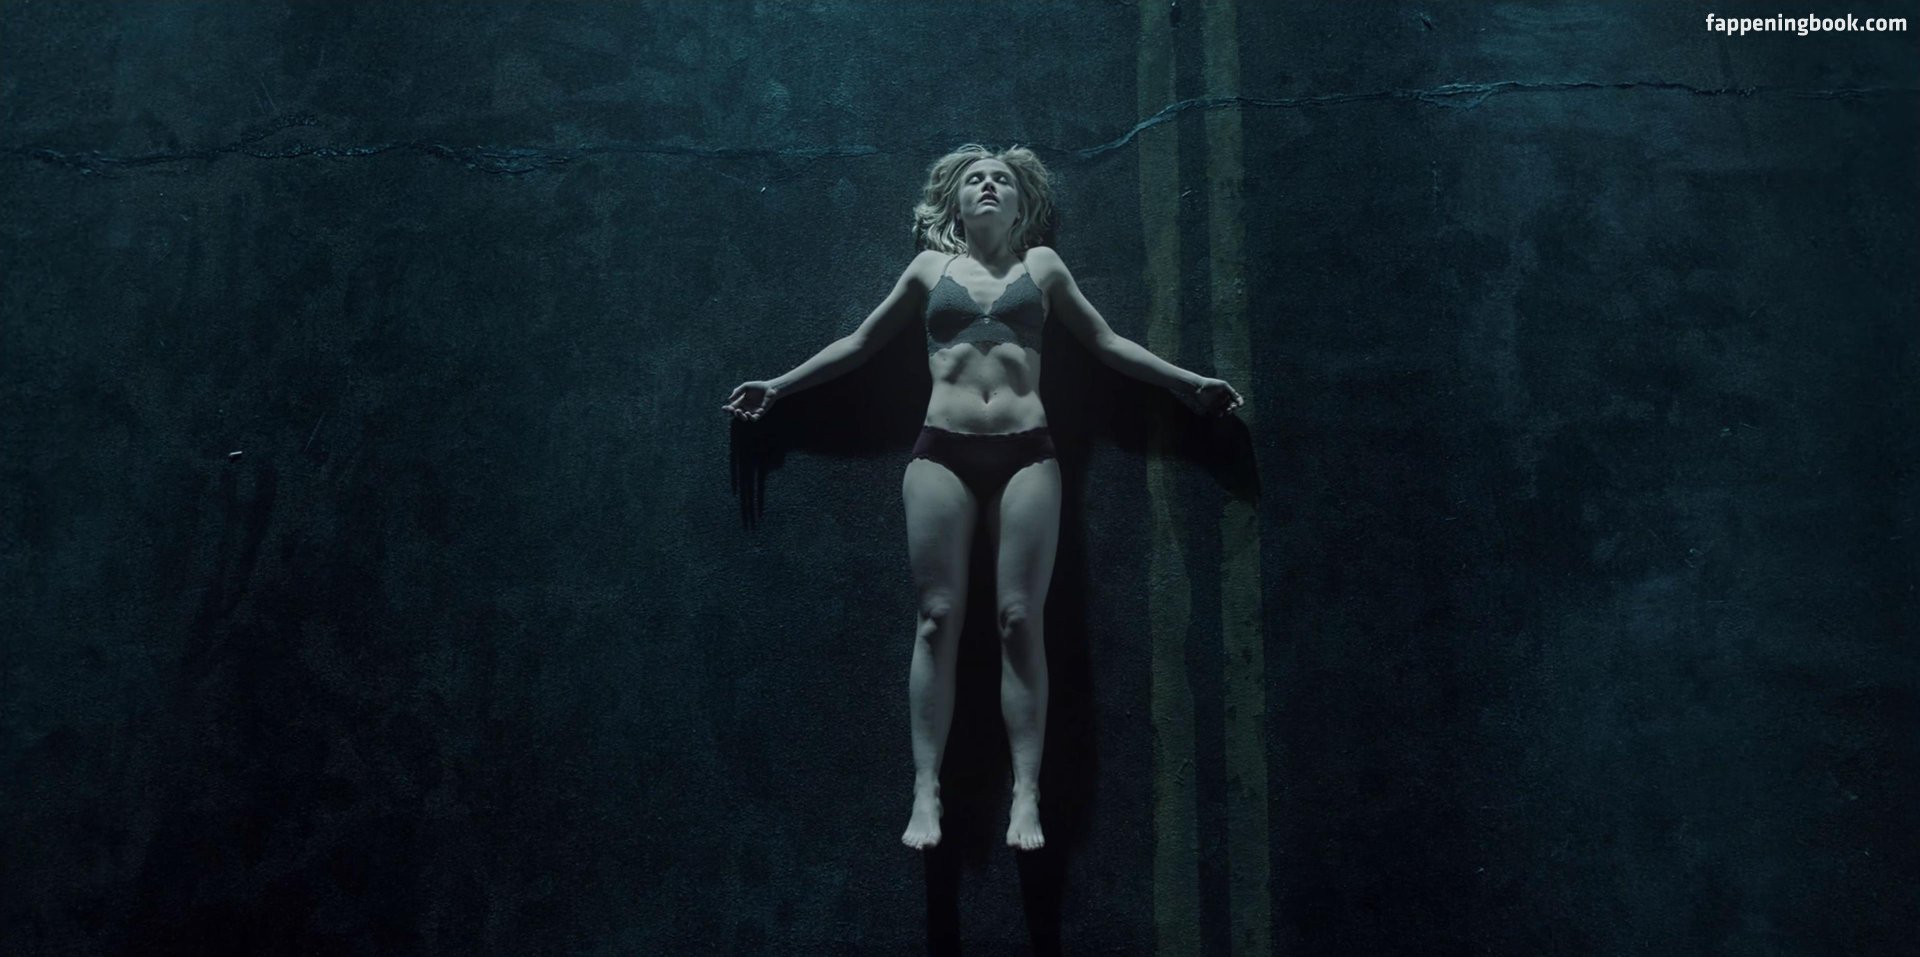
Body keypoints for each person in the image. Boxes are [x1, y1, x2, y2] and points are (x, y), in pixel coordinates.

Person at [723, 144, 1243, 852]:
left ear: (1020, 201)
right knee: (937, 618)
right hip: (942, 452)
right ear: (956, 202)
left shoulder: (1043, 266)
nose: (989, 185)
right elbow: (860, 342)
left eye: (1001, 179)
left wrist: (1189, 383)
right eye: (975, 179)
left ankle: (1026, 793)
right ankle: (925, 788)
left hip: (1029, 454)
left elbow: (1107, 342)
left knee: (1019, 618)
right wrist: (779, 387)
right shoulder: (929, 270)